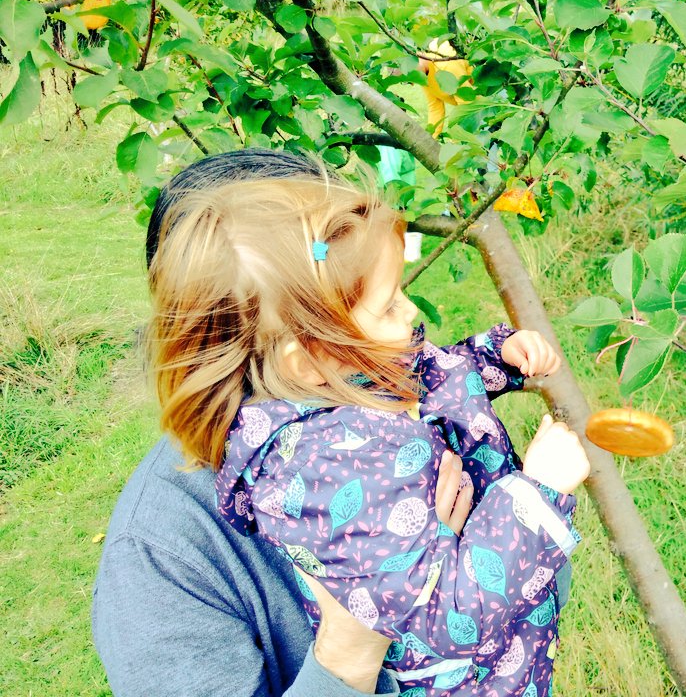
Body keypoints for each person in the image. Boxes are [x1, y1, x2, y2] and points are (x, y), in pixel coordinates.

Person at [146, 169, 590, 695]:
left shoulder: (343, 378)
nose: (411, 311)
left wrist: (498, 360)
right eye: (386, 305)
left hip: (507, 650)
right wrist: (536, 495)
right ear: (307, 358)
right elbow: (447, 616)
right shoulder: (324, 468)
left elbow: (428, 376)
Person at [94, 149, 478, 696]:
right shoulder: (161, 554)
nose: (408, 318)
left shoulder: (380, 400)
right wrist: (351, 646)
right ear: (304, 351)